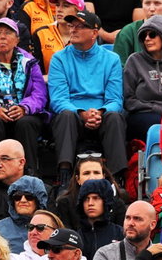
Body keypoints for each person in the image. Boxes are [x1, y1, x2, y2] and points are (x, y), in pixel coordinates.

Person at [48, 10, 128, 177]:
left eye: (80, 26)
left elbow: (115, 99)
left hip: (102, 115)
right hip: (74, 115)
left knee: (115, 116)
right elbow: (58, 99)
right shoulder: (59, 58)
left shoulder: (111, 59)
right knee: (65, 115)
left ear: (94, 33)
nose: (73, 30)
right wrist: (82, 113)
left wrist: (100, 112)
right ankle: (65, 176)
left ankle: (117, 179)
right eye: (72, 26)